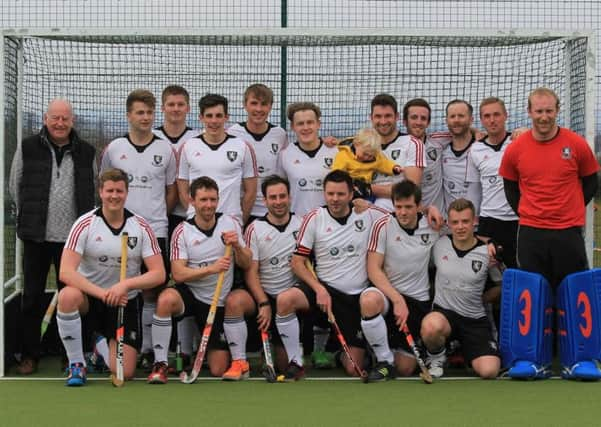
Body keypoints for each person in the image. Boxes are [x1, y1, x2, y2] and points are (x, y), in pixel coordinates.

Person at [9, 98, 96, 375]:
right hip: (36, 237)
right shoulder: (28, 147)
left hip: (72, 241)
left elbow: (94, 189)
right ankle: (30, 354)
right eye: (55, 118)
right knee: (32, 297)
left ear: (73, 121)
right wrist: (34, 217)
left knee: (70, 297)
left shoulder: (86, 152)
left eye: (65, 119)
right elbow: (15, 185)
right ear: (46, 119)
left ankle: (68, 354)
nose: (60, 123)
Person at [56, 168, 165, 386]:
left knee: (126, 372)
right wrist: (103, 293)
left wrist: (125, 284)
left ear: (126, 193)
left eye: (119, 191)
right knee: (67, 296)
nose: (114, 196)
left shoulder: (141, 226)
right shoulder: (84, 224)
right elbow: (65, 272)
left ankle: (100, 349)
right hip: (91, 298)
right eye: (109, 191)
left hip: (125, 301)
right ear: (101, 192)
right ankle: (77, 365)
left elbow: (159, 273)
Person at [99, 89, 177, 369]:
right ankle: (108, 341)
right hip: (119, 231)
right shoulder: (115, 148)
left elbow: (170, 192)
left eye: (149, 113)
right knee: (118, 287)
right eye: (140, 112)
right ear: (129, 115)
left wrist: (151, 219)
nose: (145, 118)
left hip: (155, 229)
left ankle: (147, 349)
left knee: (152, 291)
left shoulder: (165, 148)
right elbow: (106, 187)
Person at [147, 176, 251, 384]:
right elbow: (178, 274)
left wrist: (238, 247)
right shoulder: (182, 231)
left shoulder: (229, 223)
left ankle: (241, 363)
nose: (209, 205)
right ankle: (160, 365)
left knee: (218, 368)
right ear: (192, 201)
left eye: (213, 199)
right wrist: (211, 269)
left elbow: (247, 262)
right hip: (192, 295)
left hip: (219, 300)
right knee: (166, 299)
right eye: (203, 200)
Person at [287, 170, 388, 376]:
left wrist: (430, 209)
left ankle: (343, 351)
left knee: (354, 368)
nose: (335, 199)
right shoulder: (314, 218)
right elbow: (297, 262)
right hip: (325, 292)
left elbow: (406, 215)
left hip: (356, 298)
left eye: (341, 194)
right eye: (330, 193)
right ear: (324, 193)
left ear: (351, 194)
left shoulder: (368, 213)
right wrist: (318, 289)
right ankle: (295, 361)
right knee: (286, 299)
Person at [499, 87, 599, 288]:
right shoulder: (515, 149)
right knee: (535, 291)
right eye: (539, 111)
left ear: (557, 110)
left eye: (549, 111)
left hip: (568, 231)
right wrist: (530, 210)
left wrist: (570, 207)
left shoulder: (576, 143)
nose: (544, 117)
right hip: (531, 231)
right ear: (529, 112)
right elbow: (510, 188)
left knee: (573, 289)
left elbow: (591, 182)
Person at [220, 175, 303, 380]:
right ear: (264, 201)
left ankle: (296, 360)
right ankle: (240, 363)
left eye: (282, 196)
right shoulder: (254, 228)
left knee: (285, 367)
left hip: (291, 298)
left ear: (289, 197)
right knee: (234, 301)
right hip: (262, 294)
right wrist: (263, 302)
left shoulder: (302, 224)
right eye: (272, 197)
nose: (278, 202)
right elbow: (251, 271)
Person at [360, 180, 439, 381]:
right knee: (369, 300)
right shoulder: (383, 224)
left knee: (405, 369)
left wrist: (433, 208)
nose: (402, 212)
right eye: (398, 206)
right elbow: (373, 268)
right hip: (388, 298)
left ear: (419, 206)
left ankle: (381, 348)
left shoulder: (433, 225)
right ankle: (383, 360)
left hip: (417, 301)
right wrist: (396, 300)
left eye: (408, 207)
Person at [420, 198, 501, 379]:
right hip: (444, 315)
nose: (460, 227)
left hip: (474, 319)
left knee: (489, 371)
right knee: (431, 326)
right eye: (455, 222)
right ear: (448, 223)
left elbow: (501, 286)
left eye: (465, 221)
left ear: (474, 222)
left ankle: (465, 353)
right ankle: (437, 357)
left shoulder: (488, 253)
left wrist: (482, 298)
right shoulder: (439, 245)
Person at [153, 85, 201, 371]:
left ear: (187, 107)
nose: (175, 109)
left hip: (193, 219)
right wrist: (164, 213)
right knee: (159, 284)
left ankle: (189, 348)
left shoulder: (197, 138)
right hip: (162, 220)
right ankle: (152, 348)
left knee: (190, 282)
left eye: (180, 104)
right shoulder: (153, 137)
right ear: (163, 107)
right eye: (170, 104)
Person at [177, 93, 258, 225]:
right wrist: (199, 219)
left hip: (231, 223)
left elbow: (251, 191)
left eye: (219, 116)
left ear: (226, 117)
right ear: (201, 118)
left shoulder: (242, 147)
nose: (214, 121)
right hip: (197, 226)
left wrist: (238, 221)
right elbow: (182, 192)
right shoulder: (188, 146)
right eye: (209, 116)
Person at [465, 97, 519, 268]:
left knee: (520, 270)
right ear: (481, 120)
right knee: (490, 277)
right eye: (487, 116)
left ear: (506, 116)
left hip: (519, 219)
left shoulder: (518, 143)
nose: (492, 120)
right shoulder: (475, 149)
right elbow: (474, 188)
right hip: (489, 222)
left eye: (497, 114)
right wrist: (473, 220)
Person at [227, 84, 288, 223]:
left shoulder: (279, 134)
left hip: (271, 211)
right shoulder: (232, 133)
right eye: (254, 103)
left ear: (271, 106)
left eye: (264, 104)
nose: (258, 109)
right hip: (241, 210)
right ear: (245, 105)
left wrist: (326, 142)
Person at [368, 94, 427, 211]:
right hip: (368, 210)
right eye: (378, 116)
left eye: (388, 116)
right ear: (371, 118)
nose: (383, 121)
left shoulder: (413, 144)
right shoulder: (363, 145)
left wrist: (367, 189)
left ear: (397, 117)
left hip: (399, 213)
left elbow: (410, 191)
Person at [279, 102, 338, 218]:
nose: (305, 128)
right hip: (298, 223)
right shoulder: (285, 155)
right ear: (292, 127)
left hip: (329, 223)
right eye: (300, 124)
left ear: (318, 124)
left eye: (310, 122)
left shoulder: (335, 152)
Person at [402, 98, 451, 213]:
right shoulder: (397, 147)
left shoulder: (438, 141)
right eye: (414, 117)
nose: (419, 122)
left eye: (423, 118)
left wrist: (476, 132)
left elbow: (460, 131)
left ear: (428, 123)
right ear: (405, 121)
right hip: (410, 217)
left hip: (437, 220)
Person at [332, 127, 403, 200]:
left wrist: (394, 168)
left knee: (369, 203)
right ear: (356, 144)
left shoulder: (376, 158)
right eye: (365, 154)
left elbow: (385, 164)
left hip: (365, 188)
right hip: (349, 187)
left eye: (370, 156)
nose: (367, 157)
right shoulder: (344, 156)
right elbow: (337, 172)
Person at [441, 99, 482, 216]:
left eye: (461, 116)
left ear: (471, 119)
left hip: (480, 224)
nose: (456, 120)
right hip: (452, 226)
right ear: (446, 120)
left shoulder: (482, 147)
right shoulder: (441, 150)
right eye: (452, 116)